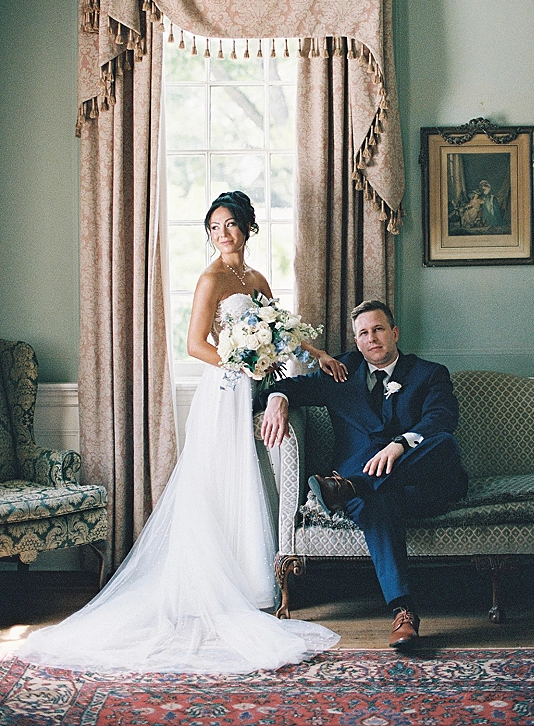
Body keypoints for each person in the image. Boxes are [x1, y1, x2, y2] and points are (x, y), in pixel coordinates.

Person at [18, 191, 341, 674]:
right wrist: (243, 363)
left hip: (250, 384)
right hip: (223, 391)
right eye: (213, 227)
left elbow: (282, 332)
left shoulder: (256, 278)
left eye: (230, 224)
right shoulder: (210, 278)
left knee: (245, 479)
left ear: (248, 227)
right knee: (213, 479)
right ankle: (204, 583)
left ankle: (248, 580)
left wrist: (317, 355)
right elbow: (194, 345)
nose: (222, 233)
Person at [260, 299, 468, 652]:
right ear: (356, 341)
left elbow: (441, 419)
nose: (372, 338)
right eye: (364, 333)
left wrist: (400, 445)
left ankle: (350, 485)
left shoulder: (429, 373)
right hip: (374, 496)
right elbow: (285, 388)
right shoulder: (341, 373)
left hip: (421, 485)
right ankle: (404, 613)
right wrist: (277, 398)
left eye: (379, 329)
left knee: (444, 442)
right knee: (378, 501)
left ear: (395, 333)